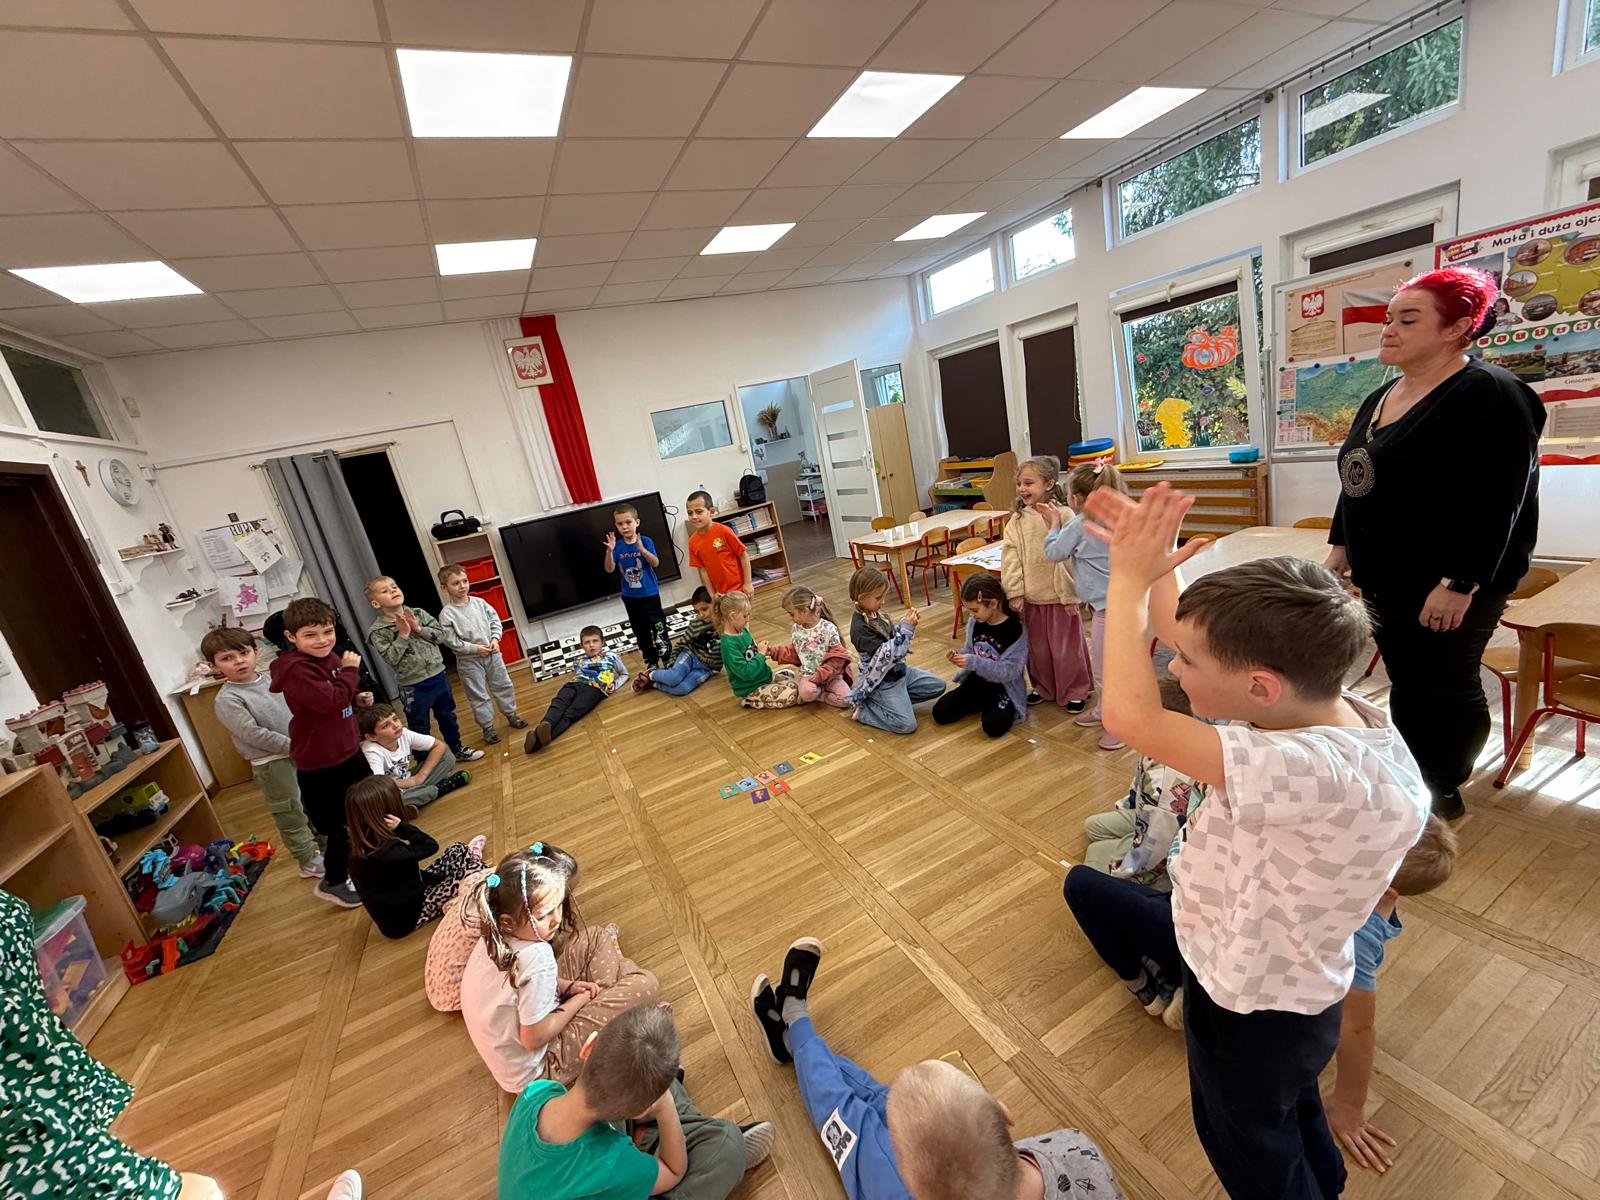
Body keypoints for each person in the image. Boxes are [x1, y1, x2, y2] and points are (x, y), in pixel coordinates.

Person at [1075, 480, 1428, 1200]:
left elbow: (1130, 717)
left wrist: (1126, 581)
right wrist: (1158, 566)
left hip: (1247, 1001)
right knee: (1289, 1108)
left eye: (1184, 663)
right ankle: (1325, 1181)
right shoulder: (1335, 713)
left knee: (1248, 1145)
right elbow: (1186, 630)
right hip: (1296, 994)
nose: (1173, 665)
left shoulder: (1299, 769)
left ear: (1260, 687)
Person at [1327, 266, 1545, 820]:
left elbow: (1499, 500)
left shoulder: (1492, 393)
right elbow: (1357, 477)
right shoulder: (1383, 394)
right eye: (1389, 318)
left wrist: (1459, 583)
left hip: (1451, 581)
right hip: (1385, 575)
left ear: (1457, 328)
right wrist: (1341, 547)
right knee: (1407, 678)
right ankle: (1412, 774)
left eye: (1408, 319)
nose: (1388, 329)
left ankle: (1443, 790)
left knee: (1445, 682)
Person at [747, 936, 1123, 1200]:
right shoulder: (1077, 1144)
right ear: (1004, 1113)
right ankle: (793, 1040)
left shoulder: (895, 1183)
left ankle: (795, 1019)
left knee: (844, 1113)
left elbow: (842, 1110)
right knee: (914, 1112)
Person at [501, 1003, 774, 1200]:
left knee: (641, 1076)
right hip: (616, 1167)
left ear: (588, 1047)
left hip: (583, 1167)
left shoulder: (536, 1091)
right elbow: (673, 1171)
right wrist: (664, 1105)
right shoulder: (613, 1164)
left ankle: (657, 1131)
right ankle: (688, 1137)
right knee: (728, 1145)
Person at [459, 847, 659, 1091]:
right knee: (645, 984)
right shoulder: (537, 958)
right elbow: (532, 1039)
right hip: (539, 1070)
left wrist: (568, 986)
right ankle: (618, 996)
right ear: (508, 922)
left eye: (558, 906)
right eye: (544, 915)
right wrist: (580, 999)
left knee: (596, 936)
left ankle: (613, 998)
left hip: (515, 1053)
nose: (556, 919)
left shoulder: (493, 935)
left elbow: (517, 992)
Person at [1324, 814, 1458, 1175]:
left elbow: (1356, 1029)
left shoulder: (1357, 939)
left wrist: (1349, 1104)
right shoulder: (1370, 901)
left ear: (1384, 891)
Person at [268, 597, 369, 908]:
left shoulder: (330, 657)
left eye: (327, 632)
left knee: (368, 808)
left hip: (347, 751)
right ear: (291, 637)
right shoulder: (296, 670)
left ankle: (371, 866)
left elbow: (338, 697)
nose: (322, 640)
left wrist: (355, 697)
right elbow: (330, 701)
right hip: (322, 764)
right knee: (340, 827)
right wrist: (351, 673)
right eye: (310, 635)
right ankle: (334, 881)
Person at [202, 626, 322, 882]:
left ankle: (327, 849)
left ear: (255, 652)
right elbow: (254, 734)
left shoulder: (272, 680)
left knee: (314, 804)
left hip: (302, 754)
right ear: (213, 666)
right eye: (227, 658)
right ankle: (308, 860)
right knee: (290, 812)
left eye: (243, 653)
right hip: (272, 764)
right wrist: (296, 747)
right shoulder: (227, 699)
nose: (239, 661)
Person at [1081, 673, 1205, 891]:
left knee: (1094, 857)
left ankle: (1163, 884)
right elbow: (1137, 790)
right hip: (1152, 819)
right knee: (1094, 826)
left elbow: (1155, 850)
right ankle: (1132, 837)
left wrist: (1124, 869)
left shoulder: (1163, 781)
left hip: (1169, 841)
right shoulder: (1164, 746)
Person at [1043, 462, 1131, 750]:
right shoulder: (1122, 519)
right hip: (1127, 604)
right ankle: (1105, 711)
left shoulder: (1080, 524)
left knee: (1107, 671)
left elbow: (1054, 552)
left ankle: (1118, 726)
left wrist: (1053, 526)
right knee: (1117, 666)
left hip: (1109, 608)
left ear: (1077, 498)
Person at [343, 775, 487, 940]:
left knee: (458, 849)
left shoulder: (360, 845)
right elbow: (429, 846)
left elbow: (408, 873)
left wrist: (439, 878)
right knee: (474, 872)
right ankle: (473, 862)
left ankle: (469, 861)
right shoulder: (388, 853)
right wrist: (401, 827)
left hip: (409, 894)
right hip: (410, 916)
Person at [1002, 455, 1092, 713]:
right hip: (1032, 598)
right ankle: (1044, 687)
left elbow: (1068, 558)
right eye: (1019, 483)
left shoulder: (1063, 514)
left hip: (1060, 598)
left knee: (1066, 648)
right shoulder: (1017, 520)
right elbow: (1010, 558)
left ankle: (1075, 689)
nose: (1022, 488)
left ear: (1050, 483)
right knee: (1038, 649)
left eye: (1029, 483)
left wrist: (1070, 595)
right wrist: (1015, 592)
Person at [364, 575, 485, 763]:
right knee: (419, 724)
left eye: (394, 586)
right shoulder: (378, 631)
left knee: (447, 715)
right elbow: (391, 658)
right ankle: (424, 762)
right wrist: (403, 635)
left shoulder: (418, 613)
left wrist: (418, 629)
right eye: (385, 591)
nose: (393, 590)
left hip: (437, 676)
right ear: (375, 603)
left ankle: (457, 749)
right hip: (413, 686)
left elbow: (441, 636)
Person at [845, 566, 945, 735]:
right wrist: (906, 629)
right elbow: (886, 655)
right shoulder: (859, 629)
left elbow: (891, 638)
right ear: (862, 598)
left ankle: (896, 703)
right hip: (882, 682)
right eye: (878, 598)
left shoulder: (876, 613)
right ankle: (866, 710)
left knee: (938, 686)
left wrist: (905, 624)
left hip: (900, 673)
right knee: (907, 725)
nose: (883, 601)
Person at [437, 564, 526, 745]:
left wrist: (495, 639)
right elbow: (451, 641)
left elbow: (495, 621)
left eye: (465, 581)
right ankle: (487, 727)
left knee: (503, 685)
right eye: (456, 583)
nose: (462, 586)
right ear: (445, 588)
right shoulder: (447, 614)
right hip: (469, 661)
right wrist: (474, 648)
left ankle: (511, 714)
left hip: (493, 654)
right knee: (478, 694)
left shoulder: (480, 603)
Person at [932, 573, 1028, 738]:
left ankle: (992, 705)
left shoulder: (1015, 629)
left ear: (993, 604)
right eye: (969, 610)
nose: (971, 615)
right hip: (978, 681)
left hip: (1004, 688)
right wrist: (959, 655)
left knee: (993, 726)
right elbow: (971, 651)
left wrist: (973, 662)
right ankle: (983, 703)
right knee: (940, 712)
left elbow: (1010, 672)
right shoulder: (975, 622)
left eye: (975, 610)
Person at [524, 626, 628, 753]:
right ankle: (546, 724)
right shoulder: (578, 660)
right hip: (573, 684)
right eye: (587, 642)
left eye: (595, 641)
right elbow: (578, 674)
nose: (591, 645)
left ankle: (537, 742)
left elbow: (624, 674)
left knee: (570, 713)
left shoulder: (611, 656)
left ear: (603, 642)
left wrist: (615, 684)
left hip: (594, 689)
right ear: (581, 646)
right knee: (558, 703)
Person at [358, 701, 469, 807]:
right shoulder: (371, 750)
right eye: (386, 725)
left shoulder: (403, 733)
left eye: (395, 719)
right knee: (387, 801)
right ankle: (438, 789)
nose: (395, 725)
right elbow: (379, 785)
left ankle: (417, 798)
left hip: (407, 779)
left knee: (447, 757)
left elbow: (439, 746)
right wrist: (411, 782)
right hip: (389, 790)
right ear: (372, 737)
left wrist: (420, 776)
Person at [761, 585, 853, 706]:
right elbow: (795, 651)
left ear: (805, 611)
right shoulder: (796, 629)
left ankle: (820, 695)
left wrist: (821, 674)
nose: (791, 618)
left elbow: (838, 658)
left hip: (831, 676)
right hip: (809, 676)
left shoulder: (828, 628)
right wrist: (773, 652)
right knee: (806, 693)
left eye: (792, 614)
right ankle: (818, 694)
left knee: (846, 699)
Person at [606, 502, 669, 669]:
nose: (624, 527)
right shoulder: (617, 546)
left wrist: (643, 550)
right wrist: (609, 551)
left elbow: (655, 563)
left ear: (637, 522)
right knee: (640, 631)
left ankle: (667, 658)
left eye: (628, 522)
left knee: (658, 627)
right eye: (620, 524)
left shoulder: (646, 541)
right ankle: (651, 661)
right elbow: (609, 568)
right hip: (630, 598)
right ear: (616, 525)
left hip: (650, 594)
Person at [716, 590, 800, 709]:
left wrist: (763, 650)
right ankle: (750, 701)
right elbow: (746, 672)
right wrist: (760, 654)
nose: (747, 619)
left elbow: (752, 654)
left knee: (796, 683)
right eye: (745, 616)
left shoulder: (743, 631)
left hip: (764, 678)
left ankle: (774, 683)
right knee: (792, 695)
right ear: (732, 616)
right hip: (752, 688)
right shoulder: (728, 645)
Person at [634, 586, 722, 696]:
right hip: (690, 656)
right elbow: (680, 644)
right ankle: (650, 674)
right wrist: (671, 665)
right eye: (697, 611)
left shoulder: (726, 624)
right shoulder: (696, 624)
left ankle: (652, 684)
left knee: (682, 689)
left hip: (705, 668)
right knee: (674, 678)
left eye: (704, 609)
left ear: (715, 605)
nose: (701, 615)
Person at [685, 490, 752, 600]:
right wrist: (712, 594)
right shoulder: (692, 542)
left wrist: (748, 583)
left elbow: (743, 555)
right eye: (690, 513)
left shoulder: (724, 531)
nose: (694, 516)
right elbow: (703, 570)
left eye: (699, 512)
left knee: (741, 612)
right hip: (720, 595)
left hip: (739, 590)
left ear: (711, 512)